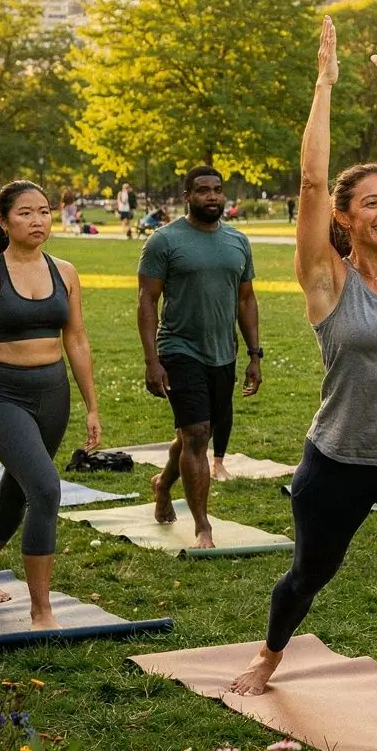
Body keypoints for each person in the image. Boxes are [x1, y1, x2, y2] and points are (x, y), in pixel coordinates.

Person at [231, 15, 377, 751]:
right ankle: (271, 653)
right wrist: (323, 87)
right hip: (336, 461)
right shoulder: (325, 281)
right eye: (373, 203)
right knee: (308, 576)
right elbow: (307, 180)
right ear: (344, 217)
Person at [0, 180, 100, 630]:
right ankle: (42, 611)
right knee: (45, 488)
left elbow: (76, 338)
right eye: (24, 213)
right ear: (2, 221)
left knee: (16, 492)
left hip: (52, 394)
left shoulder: (66, 271)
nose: (37, 220)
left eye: (44, 211)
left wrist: (92, 406)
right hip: (3, 395)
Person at [137, 166, 263, 545]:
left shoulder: (238, 242)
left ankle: (162, 484)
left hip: (222, 352)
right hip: (179, 347)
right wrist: (152, 360)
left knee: (193, 433)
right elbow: (147, 301)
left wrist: (255, 355)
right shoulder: (164, 241)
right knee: (197, 432)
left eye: (218, 190)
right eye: (203, 191)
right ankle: (202, 524)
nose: (212, 197)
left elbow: (246, 299)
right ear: (187, 196)